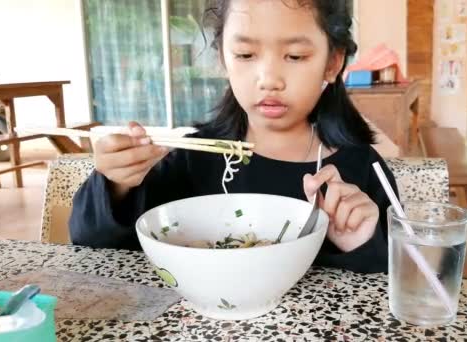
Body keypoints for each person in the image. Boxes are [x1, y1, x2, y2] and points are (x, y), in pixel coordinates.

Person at [69, 0, 398, 273]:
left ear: (332, 63)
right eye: (245, 55)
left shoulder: (363, 167)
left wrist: (363, 244)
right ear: (222, 59)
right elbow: (96, 248)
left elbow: (399, 282)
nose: (269, 80)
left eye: (295, 56)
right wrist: (116, 183)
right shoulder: (193, 157)